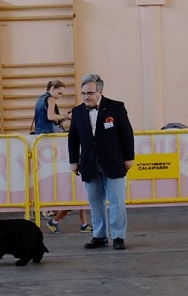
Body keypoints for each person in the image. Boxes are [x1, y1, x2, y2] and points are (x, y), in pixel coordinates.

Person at [68, 74, 134, 250]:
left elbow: (127, 134)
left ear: (100, 92)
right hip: (89, 163)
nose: (86, 97)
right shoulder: (77, 112)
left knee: (116, 201)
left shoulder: (116, 107)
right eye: (83, 93)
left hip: (113, 162)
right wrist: (73, 161)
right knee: (95, 202)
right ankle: (99, 236)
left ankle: (118, 236)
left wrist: (129, 157)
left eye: (89, 93)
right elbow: (73, 138)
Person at [32, 79, 91, 234]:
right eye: (59, 93)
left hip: (42, 139)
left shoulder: (40, 99)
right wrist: (66, 117)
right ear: (52, 88)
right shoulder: (50, 99)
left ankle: (81, 223)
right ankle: (75, 222)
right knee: (75, 188)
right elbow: (51, 116)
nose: (59, 96)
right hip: (50, 141)